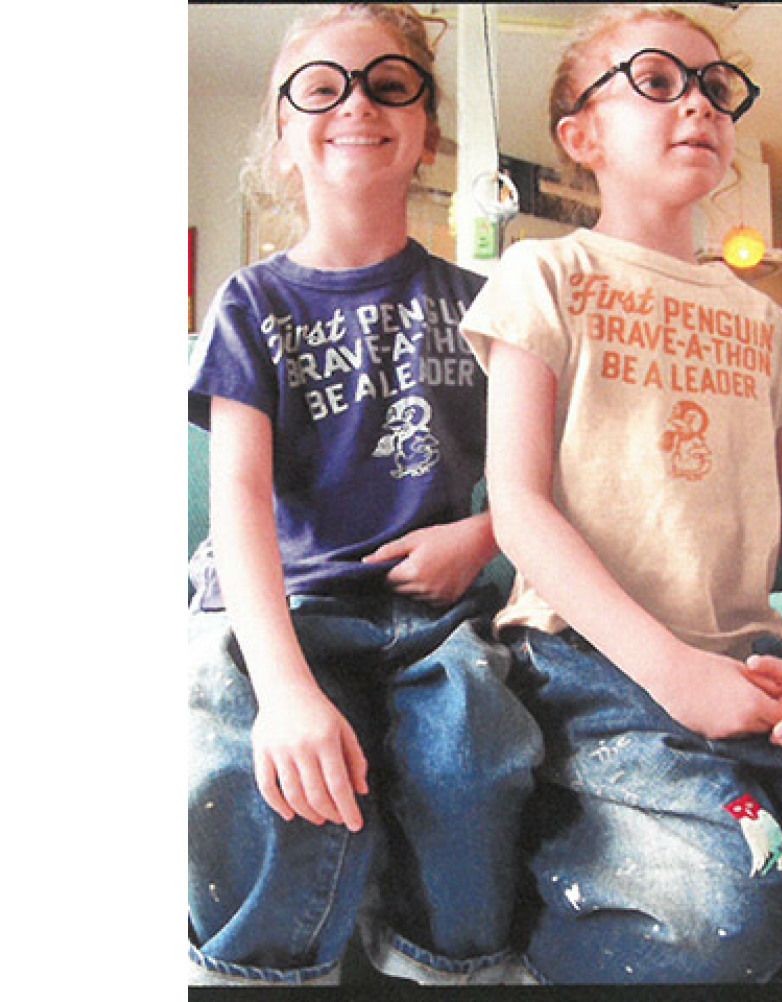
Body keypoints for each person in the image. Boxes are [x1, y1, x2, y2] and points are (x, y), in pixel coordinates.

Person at [187, 3, 541, 987]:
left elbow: (546, 477)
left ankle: (447, 967)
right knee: (255, 780)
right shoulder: (251, 303)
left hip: (434, 618)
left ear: (427, 131)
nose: (357, 105)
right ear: (283, 135)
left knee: (474, 759)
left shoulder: (485, 304)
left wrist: (484, 533)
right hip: (284, 606)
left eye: (390, 86)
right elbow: (239, 498)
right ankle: (254, 974)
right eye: (323, 88)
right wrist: (285, 690)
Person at [459, 4, 782, 985]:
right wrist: (672, 670)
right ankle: (550, 907)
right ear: (583, 136)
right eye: (657, 81)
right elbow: (519, 504)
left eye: (715, 88)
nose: (698, 104)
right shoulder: (545, 273)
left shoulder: (762, 317)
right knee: (728, 907)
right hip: (590, 666)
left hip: (753, 664)